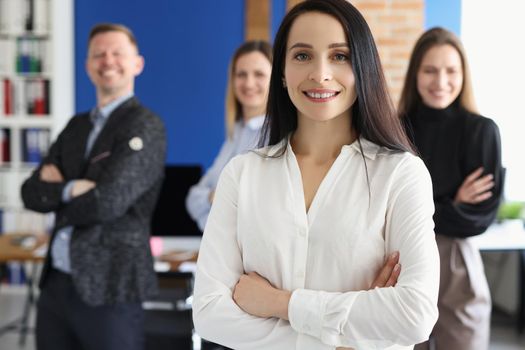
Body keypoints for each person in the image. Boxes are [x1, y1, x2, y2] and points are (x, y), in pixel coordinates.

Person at [192, 0, 440, 349]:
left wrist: (279, 303)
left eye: (340, 56)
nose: (320, 74)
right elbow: (208, 314)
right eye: (302, 56)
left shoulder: (400, 173)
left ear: (363, 67)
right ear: (282, 71)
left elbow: (415, 315)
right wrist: (345, 330)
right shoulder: (242, 173)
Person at [21, 23, 166, 350]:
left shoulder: (146, 125)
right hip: (57, 282)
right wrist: (74, 189)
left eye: (117, 53)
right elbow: (30, 193)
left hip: (110, 286)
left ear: (137, 64)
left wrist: (58, 191)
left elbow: (109, 202)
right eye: (98, 54)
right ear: (88, 66)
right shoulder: (76, 126)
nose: (107, 60)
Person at [399, 27, 504, 350]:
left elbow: (480, 218)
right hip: (402, 261)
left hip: (457, 264)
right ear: (415, 73)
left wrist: (429, 208)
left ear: (463, 74)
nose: (440, 81)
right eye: (430, 70)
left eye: (450, 71)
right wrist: (453, 203)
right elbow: (385, 208)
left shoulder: (482, 131)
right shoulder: (396, 129)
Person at [186, 40, 272, 231]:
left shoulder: (277, 137)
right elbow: (193, 198)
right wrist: (213, 197)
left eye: (259, 74)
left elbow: (257, 210)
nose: (249, 83)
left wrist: (216, 199)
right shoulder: (237, 133)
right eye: (241, 74)